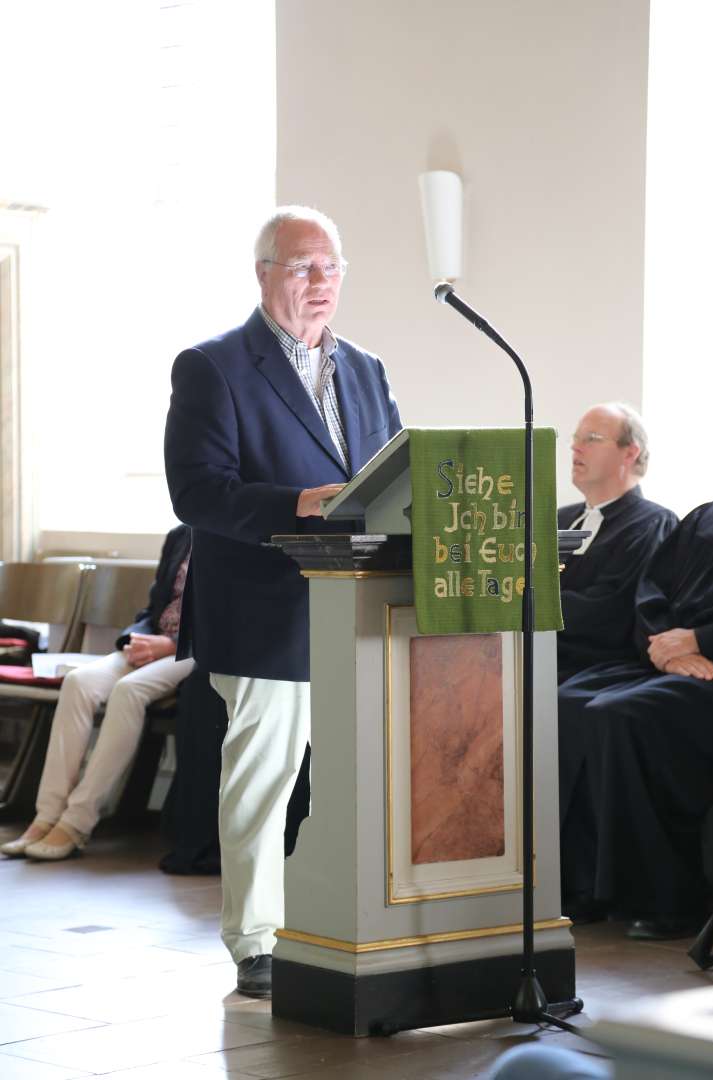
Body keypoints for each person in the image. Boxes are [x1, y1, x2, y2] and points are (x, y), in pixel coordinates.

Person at [164, 205, 401, 998]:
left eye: (331, 266)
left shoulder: (366, 368)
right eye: (303, 266)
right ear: (264, 272)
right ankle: (256, 939)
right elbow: (196, 494)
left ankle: (341, 920)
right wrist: (295, 503)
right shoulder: (215, 366)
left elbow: (390, 474)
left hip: (362, 608)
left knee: (356, 779)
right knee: (265, 779)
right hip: (269, 614)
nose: (320, 281)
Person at [559, 500, 713, 938]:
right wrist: (663, 647)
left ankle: (667, 900)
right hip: (670, 660)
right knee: (567, 700)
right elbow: (652, 590)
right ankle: (581, 884)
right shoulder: (707, 514)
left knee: (622, 714)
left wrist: (702, 640)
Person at [0, 525, 195, 861]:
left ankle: (77, 821)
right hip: (151, 644)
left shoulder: (237, 537)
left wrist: (170, 645)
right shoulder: (180, 536)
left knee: (127, 691)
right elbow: (151, 610)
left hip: (195, 651)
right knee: (79, 682)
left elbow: (230, 620)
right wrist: (134, 642)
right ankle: (46, 815)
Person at [557, 402, 677, 684]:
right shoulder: (559, 519)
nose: (576, 448)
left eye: (592, 439)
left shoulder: (652, 523)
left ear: (631, 452)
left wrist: (526, 605)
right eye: (575, 439)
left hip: (598, 670)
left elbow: (611, 610)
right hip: (535, 655)